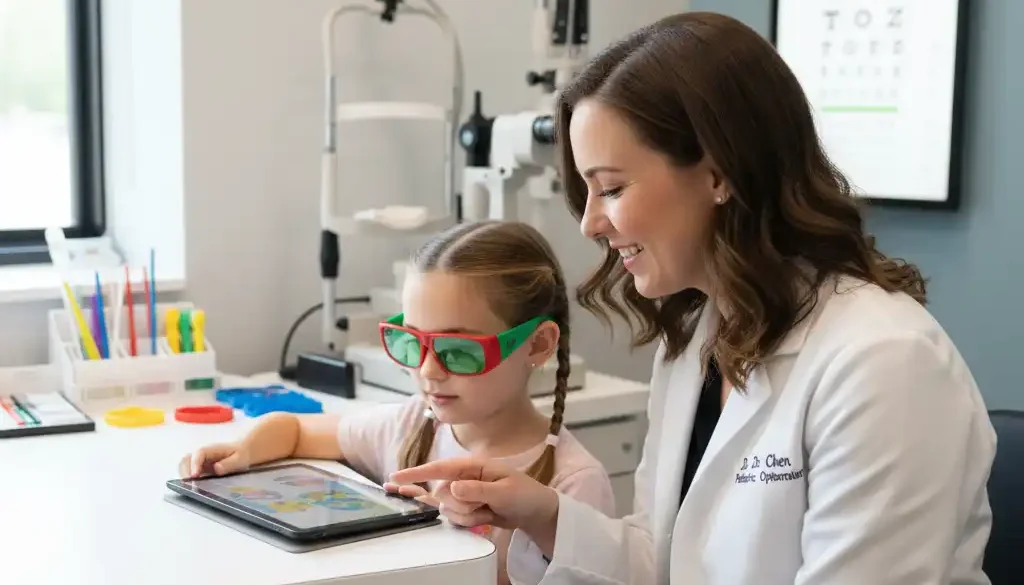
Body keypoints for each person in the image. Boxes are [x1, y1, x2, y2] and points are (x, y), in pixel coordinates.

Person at [385, 11, 997, 585]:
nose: (590, 224)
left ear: (718, 173)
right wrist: (541, 511)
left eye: (613, 188)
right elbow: (665, 560)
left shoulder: (884, 364)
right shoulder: (699, 340)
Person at [177, 220, 615, 585]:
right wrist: (244, 451)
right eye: (411, 343)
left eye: (458, 350)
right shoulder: (412, 424)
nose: (427, 370)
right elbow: (294, 430)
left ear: (537, 344)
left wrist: (446, 540)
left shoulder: (574, 483)